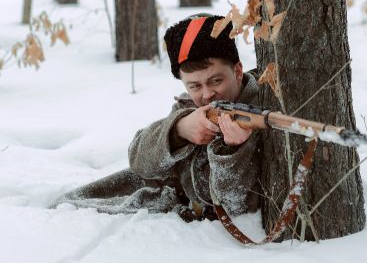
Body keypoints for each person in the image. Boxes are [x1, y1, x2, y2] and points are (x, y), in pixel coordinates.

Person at [50, 14, 261, 221]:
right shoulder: (189, 107)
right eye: (194, 86)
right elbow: (138, 160)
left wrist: (232, 151)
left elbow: (234, 207)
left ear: (238, 71)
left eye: (215, 81)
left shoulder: (259, 112)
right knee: (65, 207)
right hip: (166, 192)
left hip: (208, 233)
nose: (206, 95)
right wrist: (179, 130)